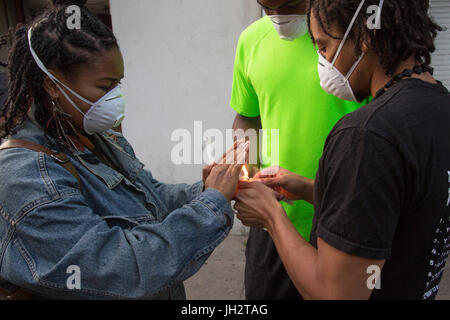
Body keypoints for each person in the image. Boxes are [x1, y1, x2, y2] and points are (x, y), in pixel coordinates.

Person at [0, 0, 245, 300]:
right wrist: (210, 206)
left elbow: (150, 198)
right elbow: (121, 269)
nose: (116, 99)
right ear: (53, 84)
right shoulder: (25, 176)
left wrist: (209, 188)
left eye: (119, 84)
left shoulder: (94, 136)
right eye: (105, 87)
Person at [234, 0, 450, 300]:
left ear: (363, 35)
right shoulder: (438, 104)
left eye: (323, 47)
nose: (324, 63)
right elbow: (394, 208)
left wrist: (271, 214)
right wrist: (314, 189)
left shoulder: (365, 135)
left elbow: (334, 294)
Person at [230, 0, 365, 299]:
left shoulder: (350, 39)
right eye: (267, 7)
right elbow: (247, 116)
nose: (279, 17)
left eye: (290, 4)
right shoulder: (251, 40)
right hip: (274, 222)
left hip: (346, 221)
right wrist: (247, 171)